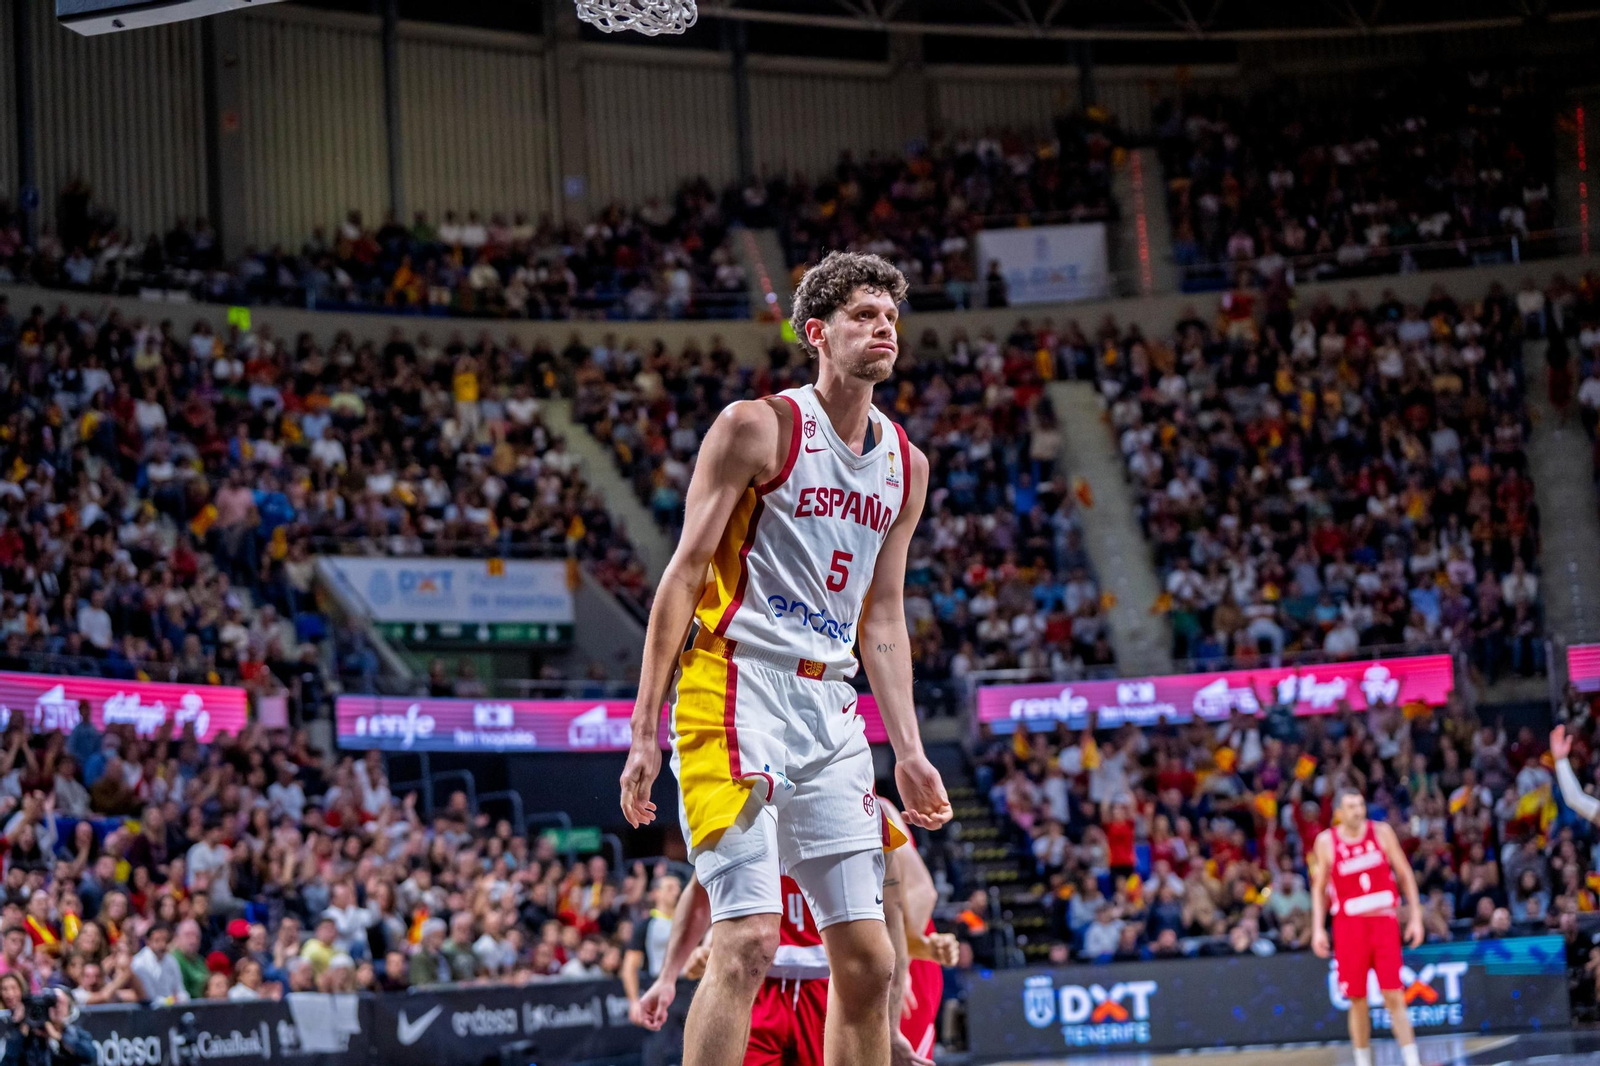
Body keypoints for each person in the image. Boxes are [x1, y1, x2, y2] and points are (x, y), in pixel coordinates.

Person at [619, 250, 951, 1066]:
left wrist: (907, 751)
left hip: (829, 702)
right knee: (747, 943)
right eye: (865, 316)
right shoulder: (757, 427)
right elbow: (684, 573)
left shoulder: (906, 467)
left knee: (872, 961)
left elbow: (881, 612)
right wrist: (642, 728)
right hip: (731, 684)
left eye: (891, 318)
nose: (884, 330)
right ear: (817, 333)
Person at [637, 801, 959, 1066]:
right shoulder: (744, 799)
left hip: (826, 985)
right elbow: (708, 891)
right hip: (761, 984)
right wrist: (676, 969)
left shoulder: (862, 803)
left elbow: (903, 905)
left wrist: (917, 952)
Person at [1310, 788, 1425, 1066]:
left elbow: (1405, 874)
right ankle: (1363, 1062)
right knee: (1357, 999)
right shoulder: (1326, 842)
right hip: (1349, 926)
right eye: (1351, 806)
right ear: (1339, 812)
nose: (1358, 811)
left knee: (1394, 994)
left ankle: (1412, 1061)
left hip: (1383, 921)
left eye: (1360, 804)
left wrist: (1416, 918)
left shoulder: (1382, 832)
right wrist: (1317, 928)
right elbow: (1318, 888)